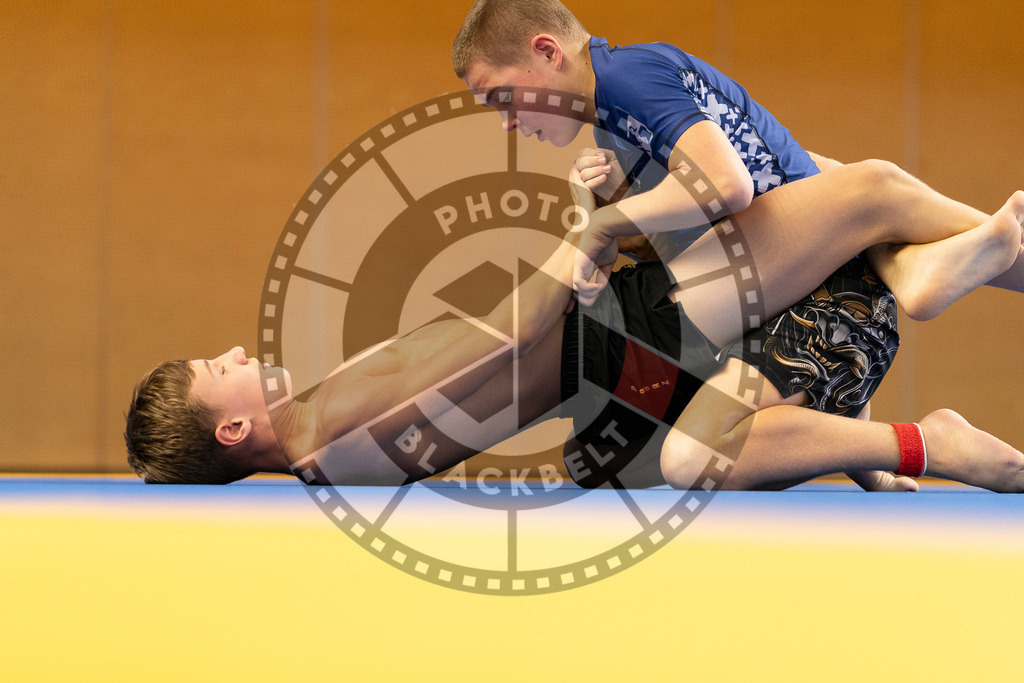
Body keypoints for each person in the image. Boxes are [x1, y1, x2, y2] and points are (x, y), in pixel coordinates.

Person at [124, 160, 1024, 492]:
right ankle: (933, 277)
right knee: (867, 192)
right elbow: (502, 335)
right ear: (231, 429)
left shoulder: (322, 446)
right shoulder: (324, 424)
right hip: (627, 337)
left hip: (610, 371)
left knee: (800, 206)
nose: (236, 350)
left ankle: (879, 386)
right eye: (218, 367)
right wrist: (584, 234)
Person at [450, 0, 1024, 490]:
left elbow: (728, 185)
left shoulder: (628, 76)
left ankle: (919, 277)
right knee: (622, 457)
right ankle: (907, 299)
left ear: (547, 52)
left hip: (833, 292)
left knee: (688, 459)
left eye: (502, 97)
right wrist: (592, 213)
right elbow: (681, 254)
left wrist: (602, 225)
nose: (506, 122)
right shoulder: (614, 123)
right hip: (796, 307)